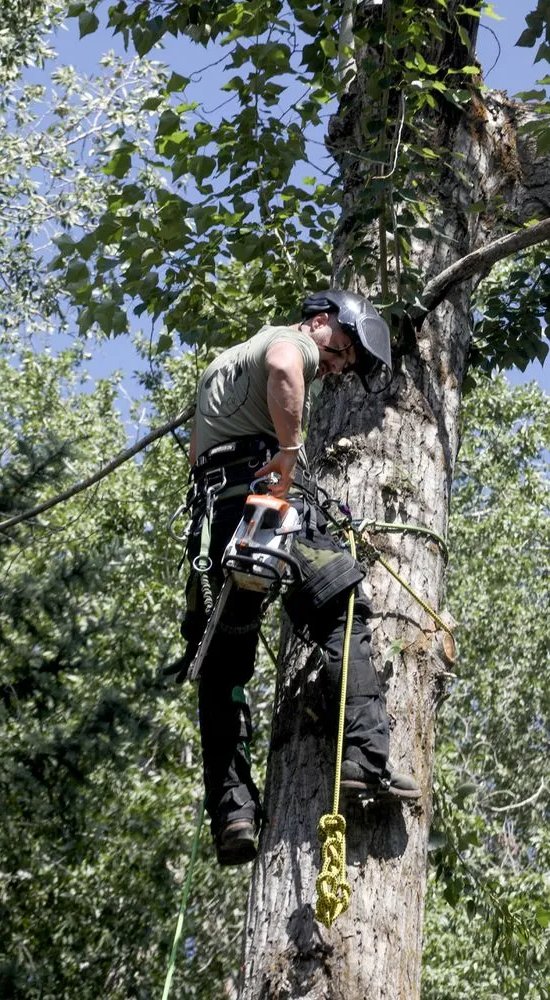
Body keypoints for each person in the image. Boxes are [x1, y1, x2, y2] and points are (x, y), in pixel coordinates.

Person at [169, 289, 420, 866]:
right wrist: (288, 451)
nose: (335, 366)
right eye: (344, 351)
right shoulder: (290, 342)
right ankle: (364, 756)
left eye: (344, 365)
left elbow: (197, 453)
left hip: (216, 525)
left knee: (221, 666)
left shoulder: (224, 368)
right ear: (322, 321)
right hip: (267, 508)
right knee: (340, 605)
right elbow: (288, 365)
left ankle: (232, 809)